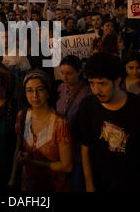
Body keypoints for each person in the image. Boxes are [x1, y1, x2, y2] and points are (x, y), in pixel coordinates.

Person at [78, 52, 140, 192]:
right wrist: (89, 184)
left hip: (133, 183)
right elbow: (85, 147)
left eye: (102, 84)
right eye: (91, 83)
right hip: (100, 182)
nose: (96, 90)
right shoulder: (87, 106)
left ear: (118, 81)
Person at [8, 69, 73, 192]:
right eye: (29, 90)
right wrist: (12, 178)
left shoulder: (60, 124)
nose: (34, 96)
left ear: (48, 92)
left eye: (40, 89)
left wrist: (32, 162)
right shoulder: (22, 116)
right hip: (27, 185)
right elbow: (18, 148)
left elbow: (67, 166)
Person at [56, 55, 90, 192]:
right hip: (61, 145)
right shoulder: (59, 88)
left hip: (78, 147)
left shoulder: (87, 93)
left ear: (79, 72)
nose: (65, 77)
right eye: (62, 73)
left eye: (69, 73)